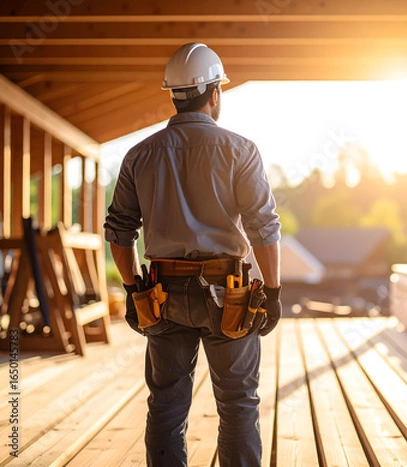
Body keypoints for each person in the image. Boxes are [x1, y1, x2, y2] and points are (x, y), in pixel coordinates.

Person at [104, 42, 282, 467]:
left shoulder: (139, 155)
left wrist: (132, 289)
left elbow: (119, 231)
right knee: (238, 403)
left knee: (165, 405)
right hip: (229, 295)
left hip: (162, 294)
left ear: (174, 95)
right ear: (214, 93)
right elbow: (262, 227)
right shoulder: (240, 150)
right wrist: (272, 291)